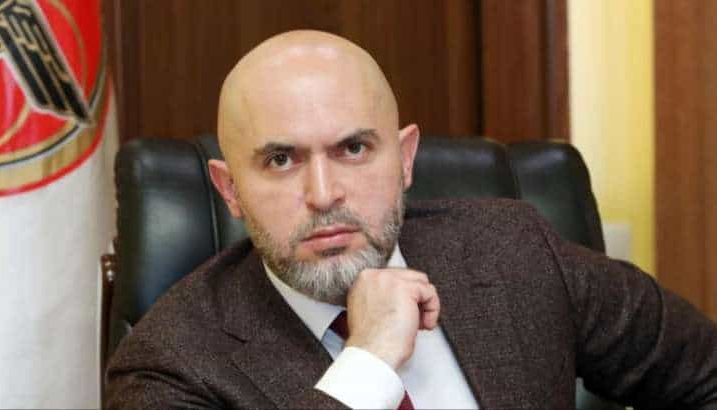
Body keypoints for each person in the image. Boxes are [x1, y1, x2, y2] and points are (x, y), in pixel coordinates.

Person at [105, 30, 717, 409]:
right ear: (229, 190)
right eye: (281, 160)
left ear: (405, 160)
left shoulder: (511, 249)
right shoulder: (170, 363)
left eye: (353, 149)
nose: (324, 194)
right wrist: (368, 361)